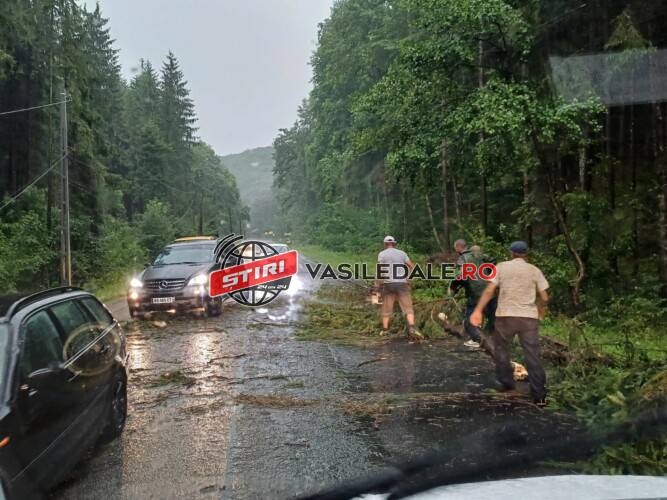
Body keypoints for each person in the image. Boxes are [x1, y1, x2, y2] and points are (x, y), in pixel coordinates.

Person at [470, 241, 550, 407]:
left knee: (502, 350)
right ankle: (539, 396)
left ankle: (507, 383)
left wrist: (478, 310)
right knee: (532, 355)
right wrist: (541, 310)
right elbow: (544, 297)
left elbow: (489, 290)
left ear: (511, 253)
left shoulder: (501, 267)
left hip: (505, 316)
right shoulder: (534, 270)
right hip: (528, 318)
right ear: (526, 254)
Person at [449, 239, 496, 349]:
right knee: (492, 317)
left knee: (470, 320)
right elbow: (493, 262)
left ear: (458, 247)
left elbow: (459, 276)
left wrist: (453, 289)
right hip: (490, 291)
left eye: (455, 249)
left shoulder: (463, 258)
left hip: (475, 293)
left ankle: (477, 339)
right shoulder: (482, 256)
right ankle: (489, 338)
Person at [377, 235, 423, 342]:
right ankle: (412, 328)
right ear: (394, 243)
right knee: (408, 308)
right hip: (402, 284)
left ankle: (385, 330)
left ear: (385, 244)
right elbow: (413, 267)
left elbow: (380, 270)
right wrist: (409, 279)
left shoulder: (382, 254)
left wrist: (377, 284)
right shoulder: (402, 253)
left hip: (389, 284)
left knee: (386, 308)